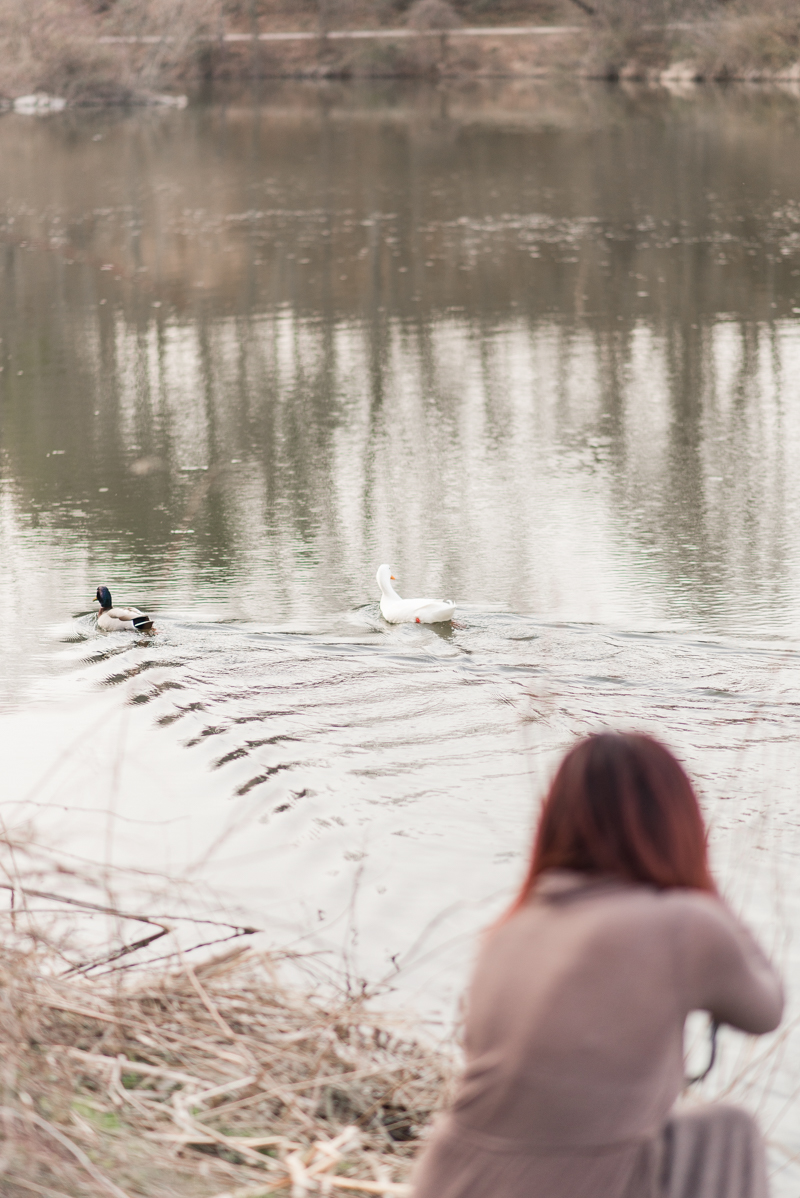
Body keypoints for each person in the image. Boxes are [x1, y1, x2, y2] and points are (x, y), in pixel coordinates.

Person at [411, 732, 783, 1198]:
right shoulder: (685, 922)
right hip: (569, 1186)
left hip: (449, 1179)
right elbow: (767, 1010)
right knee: (728, 1130)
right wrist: (703, 888)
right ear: (676, 823)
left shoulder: (512, 927)